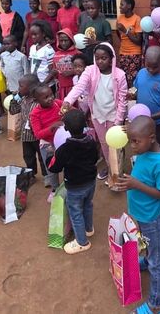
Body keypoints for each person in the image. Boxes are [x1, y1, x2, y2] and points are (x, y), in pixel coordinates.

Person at [115, 116, 160, 314]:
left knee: (158, 262)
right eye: (130, 141)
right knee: (147, 244)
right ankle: (146, 261)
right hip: (143, 214)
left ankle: (156, 305)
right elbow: (141, 133)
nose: (132, 146)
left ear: (152, 138)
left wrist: (135, 184)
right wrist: (131, 130)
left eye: (135, 142)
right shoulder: (146, 147)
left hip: (152, 217)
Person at [62, 43, 127, 183]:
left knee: (116, 145)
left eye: (104, 58)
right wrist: (68, 101)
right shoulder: (90, 71)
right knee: (104, 144)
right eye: (97, 58)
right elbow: (79, 87)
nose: (100, 61)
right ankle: (110, 169)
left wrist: (118, 120)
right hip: (98, 115)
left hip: (114, 116)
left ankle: (118, 173)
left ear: (111, 58)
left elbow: (122, 100)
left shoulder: (120, 75)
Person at [49, 109, 98, 254]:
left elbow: (54, 168)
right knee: (87, 204)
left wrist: (51, 156)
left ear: (65, 128)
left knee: (75, 212)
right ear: (85, 125)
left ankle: (82, 242)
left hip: (75, 186)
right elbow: (95, 158)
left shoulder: (64, 149)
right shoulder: (91, 141)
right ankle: (89, 229)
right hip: (91, 181)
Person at [133, 46, 160, 151]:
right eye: (148, 66)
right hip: (142, 124)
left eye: (155, 67)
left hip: (159, 125)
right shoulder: (141, 73)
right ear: (144, 60)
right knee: (143, 150)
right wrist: (132, 95)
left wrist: (151, 117)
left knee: (159, 152)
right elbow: (139, 92)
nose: (151, 70)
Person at [9, 74, 44, 186]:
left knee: (42, 156)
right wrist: (15, 98)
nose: (18, 88)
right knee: (28, 157)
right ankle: (31, 174)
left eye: (21, 86)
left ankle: (47, 176)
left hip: (38, 135)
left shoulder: (39, 102)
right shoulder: (22, 100)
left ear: (31, 88)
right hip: (26, 135)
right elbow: (13, 111)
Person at [29, 83, 64, 189]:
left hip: (62, 142)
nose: (50, 98)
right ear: (36, 100)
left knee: (67, 165)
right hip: (47, 145)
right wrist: (52, 127)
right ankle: (55, 189)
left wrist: (69, 115)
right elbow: (38, 134)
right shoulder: (35, 114)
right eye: (46, 97)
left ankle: (68, 187)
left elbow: (71, 109)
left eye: (51, 94)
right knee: (51, 169)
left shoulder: (57, 103)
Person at [116, 0, 143, 87]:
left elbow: (138, 41)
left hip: (134, 53)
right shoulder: (120, 18)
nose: (120, 7)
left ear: (129, 6)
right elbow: (119, 34)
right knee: (123, 78)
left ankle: (133, 95)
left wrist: (125, 31)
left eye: (122, 5)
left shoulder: (137, 19)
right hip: (123, 52)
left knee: (133, 79)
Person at [80, 0, 112, 64]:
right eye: (88, 8)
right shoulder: (86, 23)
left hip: (100, 56)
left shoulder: (104, 23)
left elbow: (110, 42)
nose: (90, 10)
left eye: (93, 8)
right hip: (88, 55)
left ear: (99, 9)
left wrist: (95, 42)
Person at [28, 20, 56, 89]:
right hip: (35, 84)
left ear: (43, 34)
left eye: (35, 34)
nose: (33, 37)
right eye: (32, 35)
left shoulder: (48, 50)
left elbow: (52, 71)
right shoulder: (32, 48)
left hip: (46, 86)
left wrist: (43, 84)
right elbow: (31, 66)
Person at [52, 28, 79, 100]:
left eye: (66, 40)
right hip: (61, 87)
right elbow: (55, 70)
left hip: (74, 87)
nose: (63, 43)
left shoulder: (77, 53)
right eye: (61, 41)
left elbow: (85, 69)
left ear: (71, 40)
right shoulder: (56, 55)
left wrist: (72, 72)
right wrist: (54, 73)